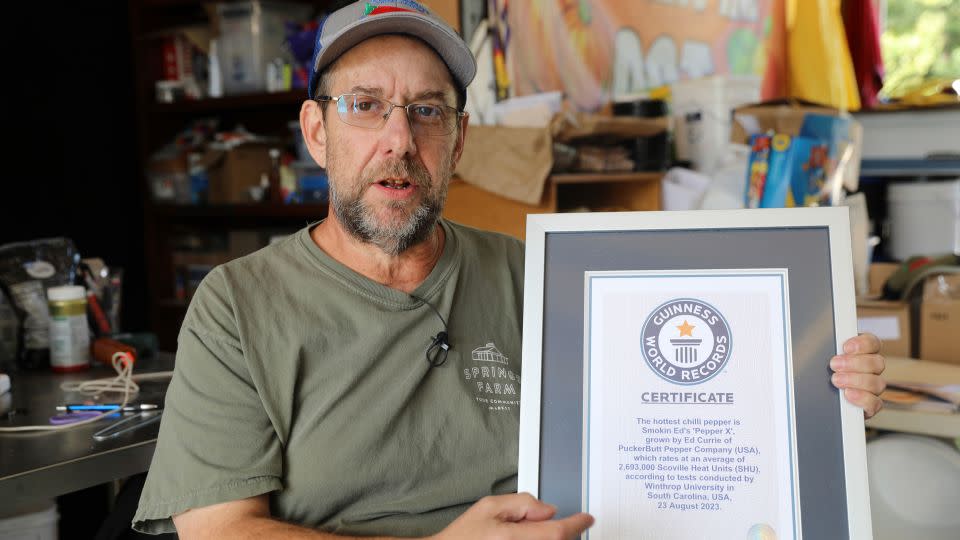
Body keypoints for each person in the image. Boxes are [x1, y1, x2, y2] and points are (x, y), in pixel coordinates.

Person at [133, 2, 887, 538]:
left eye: (428, 111)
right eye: (366, 106)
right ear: (316, 132)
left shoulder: (547, 278)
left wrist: (815, 386)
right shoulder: (238, 304)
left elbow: (685, 393)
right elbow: (221, 529)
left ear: (459, 140)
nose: (399, 138)